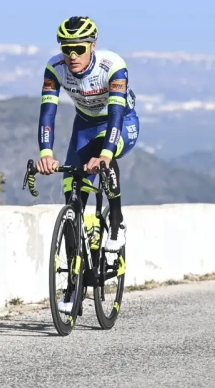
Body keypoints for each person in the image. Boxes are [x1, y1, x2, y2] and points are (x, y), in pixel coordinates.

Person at [35, 16, 139, 312]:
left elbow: (117, 114)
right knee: (72, 198)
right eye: (67, 48)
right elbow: (47, 113)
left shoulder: (113, 66)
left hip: (120, 123)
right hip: (84, 127)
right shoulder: (54, 68)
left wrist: (106, 154)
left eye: (79, 49)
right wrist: (45, 152)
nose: (72, 56)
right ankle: (74, 285)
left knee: (105, 160)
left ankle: (116, 224)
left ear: (92, 46)